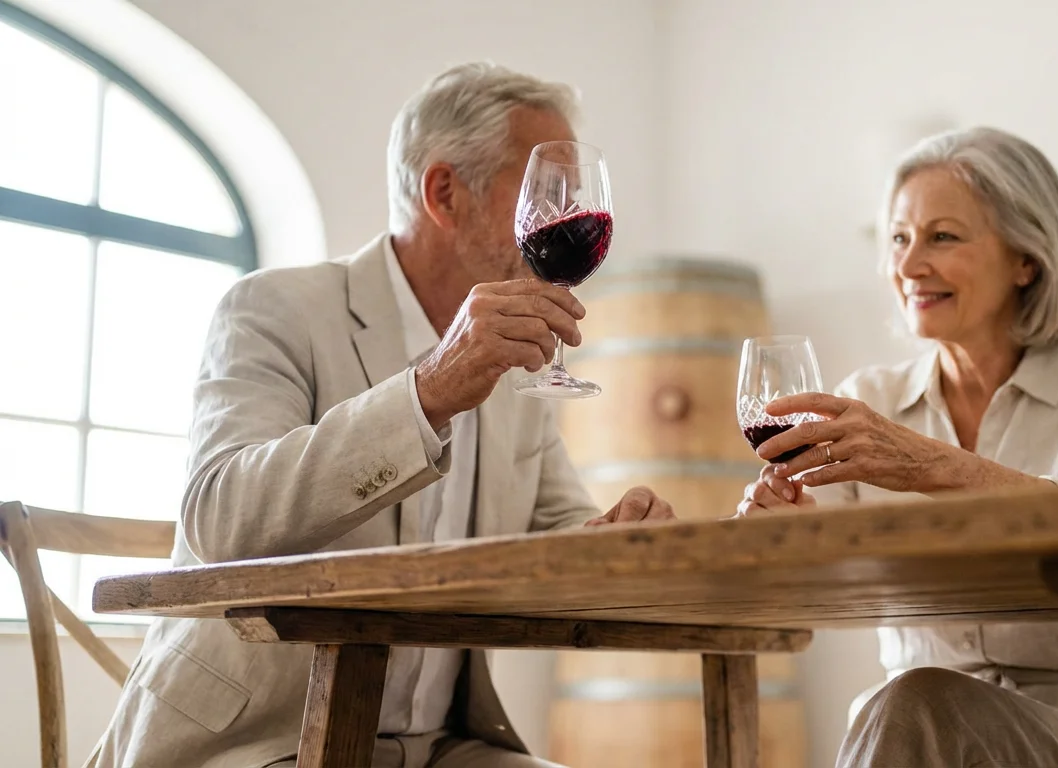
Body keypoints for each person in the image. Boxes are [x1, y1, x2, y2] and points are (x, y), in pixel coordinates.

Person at [89, 63, 674, 768]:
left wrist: (619, 543)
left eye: (574, 198)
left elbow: (560, 549)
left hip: (437, 749)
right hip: (250, 745)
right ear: (444, 192)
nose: (568, 217)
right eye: (542, 195)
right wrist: (429, 389)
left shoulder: (522, 358)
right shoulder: (273, 309)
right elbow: (219, 520)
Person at [738, 127, 1058, 767]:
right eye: (899, 239)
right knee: (914, 705)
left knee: (916, 703)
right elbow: (787, 598)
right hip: (922, 742)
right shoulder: (865, 400)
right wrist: (779, 536)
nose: (908, 265)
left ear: (1026, 258)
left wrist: (926, 464)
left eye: (942, 237)